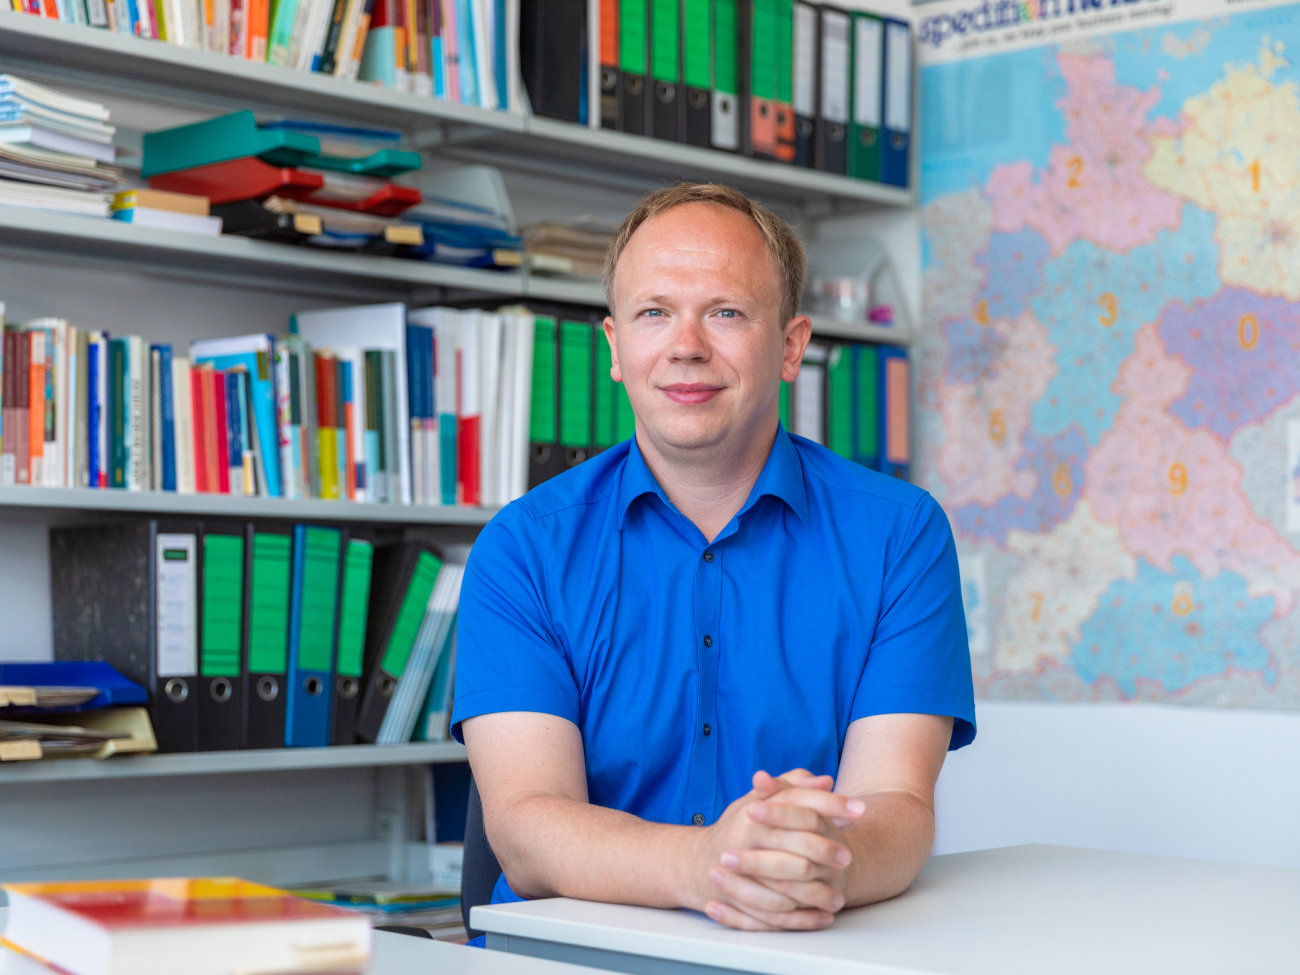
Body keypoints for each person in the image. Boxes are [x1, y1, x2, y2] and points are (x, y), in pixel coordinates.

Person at [451, 182, 975, 932]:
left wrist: (799, 866)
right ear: (614, 348)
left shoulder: (900, 537)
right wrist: (705, 865)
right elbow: (527, 827)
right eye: (654, 312)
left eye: (725, 312)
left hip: (801, 947)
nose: (686, 344)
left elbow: (896, 810)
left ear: (792, 346)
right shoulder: (524, 548)